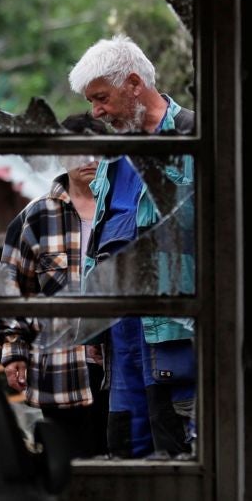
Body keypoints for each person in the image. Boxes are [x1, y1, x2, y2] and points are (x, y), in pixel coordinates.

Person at [68, 34, 196, 459]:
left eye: (101, 98)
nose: (96, 112)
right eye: (91, 102)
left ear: (135, 83)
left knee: (174, 447)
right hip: (121, 339)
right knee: (126, 450)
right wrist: (91, 320)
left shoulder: (193, 137)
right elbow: (100, 242)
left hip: (173, 330)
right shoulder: (112, 157)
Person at [0, 114, 110, 459]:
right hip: (61, 369)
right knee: (67, 465)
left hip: (119, 365)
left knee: (123, 460)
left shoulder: (124, 207)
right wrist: (14, 351)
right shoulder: (37, 217)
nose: (88, 159)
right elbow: (12, 288)